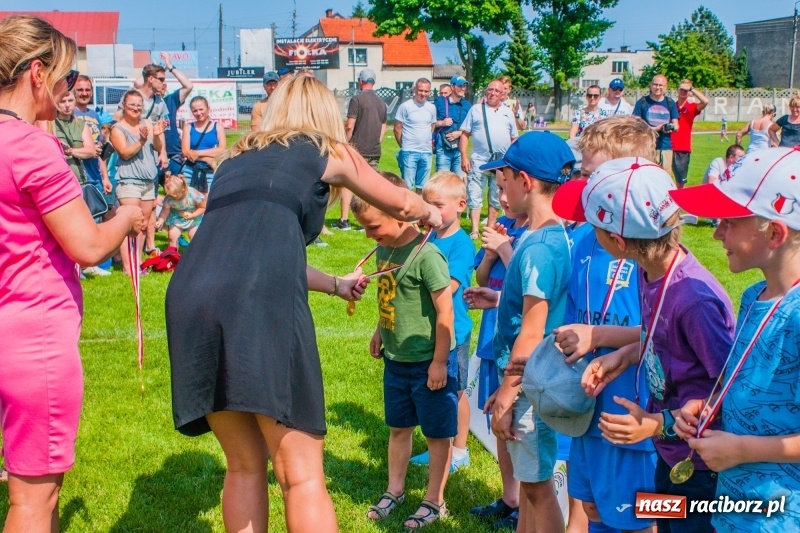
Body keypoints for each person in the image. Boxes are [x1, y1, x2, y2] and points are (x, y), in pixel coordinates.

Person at [164, 75, 443, 533]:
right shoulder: (325, 150)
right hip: (257, 303)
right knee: (302, 473)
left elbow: (251, 258)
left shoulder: (235, 158)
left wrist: (335, 284)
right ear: (326, 115)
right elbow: (402, 204)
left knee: (243, 465)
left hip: (193, 297)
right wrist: (434, 213)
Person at [0, 15, 144, 532]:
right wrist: (127, 215)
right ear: (36, 74)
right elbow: (87, 246)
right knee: (33, 501)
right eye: (64, 79)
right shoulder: (32, 145)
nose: (67, 93)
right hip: (34, 335)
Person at [550, 157, 736, 533]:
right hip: (670, 456)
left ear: (617, 241)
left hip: (701, 469)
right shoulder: (647, 269)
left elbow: (730, 395)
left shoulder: (696, 301)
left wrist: (657, 424)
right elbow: (662, 338)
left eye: (595, 228)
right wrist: (624, 354)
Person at [670, 146, 800, 532]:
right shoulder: (753, 297)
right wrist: (709, 407)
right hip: (737, 509)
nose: (716, 232)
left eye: (728, 221)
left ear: (774, 232)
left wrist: (742, 450)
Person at [548, 116, 659, 533]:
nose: (582, 186)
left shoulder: (652, 253)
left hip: (634, 415)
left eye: (592, 176)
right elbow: (574, 313)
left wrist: (600, 336)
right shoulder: (582, 241)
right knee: (593, 509)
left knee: (642, 517)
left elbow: (664, 333)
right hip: (586, 409)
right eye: (581, 174)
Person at [463, 131, 575, 533]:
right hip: (530, 380)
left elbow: (531, 332)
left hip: (531, 383)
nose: (501, 191)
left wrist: (508, 396)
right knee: (529, 488)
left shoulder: (537, 247)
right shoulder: (548, 237)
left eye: (504, 181)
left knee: (538, 488)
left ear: (525, 181)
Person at [350, 172, 456, 530]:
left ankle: (434, 499)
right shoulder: (386, 247)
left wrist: (440, 362)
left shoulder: (428, 256)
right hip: (396, 361)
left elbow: (445, 312)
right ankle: (395, 489)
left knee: (438, 435)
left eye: (373, 227)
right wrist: (380, 329)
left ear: (402, 214)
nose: (369, 235)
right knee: (399, 427)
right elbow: (390, 293)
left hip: (428, 361)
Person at [468, 179, 529, 531]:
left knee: (523, 427)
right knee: (500, 425)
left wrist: (505, 248)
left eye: (507, 190)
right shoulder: (503, 229)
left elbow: (525, 285)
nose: (502, 198)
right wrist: (490, 254)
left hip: (520, 349)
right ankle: (510, 498)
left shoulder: (534, 236)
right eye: (498, 191)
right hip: (493, 341)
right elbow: (479, 275)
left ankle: (530, 500)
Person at [409, 172, 474, 473]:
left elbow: (450, 287)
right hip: (431, 331)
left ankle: (459, 450)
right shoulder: (429, 237)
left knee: (455, 392)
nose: (431, 212)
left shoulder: (461, 245)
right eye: (427, 206)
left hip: (454, 332)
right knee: (437, 391)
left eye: (438, 205)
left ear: (461, 205)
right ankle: (440, 444)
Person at [54, 90, 114, 278]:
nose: (66, 104)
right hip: (58, 179)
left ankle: (87, 264)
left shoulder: (80, 124)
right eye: (62, 101)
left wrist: (70, 150)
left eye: (70, 100)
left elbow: (91, 152)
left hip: (79, 179)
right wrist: (79, 151)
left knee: (87, 222)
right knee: (64, 226)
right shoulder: (49, 123)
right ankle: (70, 266)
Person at [459, 79, 518, 239]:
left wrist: (512, 160)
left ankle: (491, 228)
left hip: (501, 163)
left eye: (496, 91)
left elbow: (514, 138)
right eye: (490, 89)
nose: (492, 93)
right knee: (475, 193)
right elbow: (464, 134)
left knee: (496, 195)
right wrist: (464, 157)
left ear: (502, 94)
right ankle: (475, 229)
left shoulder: (507, 112)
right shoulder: (476, 109)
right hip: (479, 160)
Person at [110, 89, 165, 257]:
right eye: (132, 105)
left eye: (139, 105)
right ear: (124, 106)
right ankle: (127, 266)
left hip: (149, 182)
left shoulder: (147, 123)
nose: (136, 108)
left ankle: (137, 262)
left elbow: (157, 147)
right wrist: (141, 141)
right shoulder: (117, 129)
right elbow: (124, 153)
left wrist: (156, 136)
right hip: (129, 182)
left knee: (142, 224)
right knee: (129, 224)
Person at [336, 68, 387, 231]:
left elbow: (350, 125)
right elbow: (383, 128)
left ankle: (344, 220)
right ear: (374, 82)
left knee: (348, 184)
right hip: (374, 150)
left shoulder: (356, 99)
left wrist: (346, 143)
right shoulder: (381, 102)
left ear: (360, 81)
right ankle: (366, 221)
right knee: (369, 186)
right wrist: (375, 142)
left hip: (357, 150)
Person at [394, 78, 436, 192]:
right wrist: (405, 146)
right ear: (415, 89)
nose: (423, 94)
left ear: (429, 91)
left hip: (426, 152)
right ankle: (407, 210)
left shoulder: (431, 108)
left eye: (426, 91)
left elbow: (431, 127)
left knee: (422, 188)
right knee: (407, 187)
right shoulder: (405, 106)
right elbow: (397, 128)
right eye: (420, 90)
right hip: (409, 152)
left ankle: (419, 210)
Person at [632, 74, 679, 175]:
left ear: (666, 87)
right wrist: (655, 129)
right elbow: (635, 124)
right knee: (645, 175)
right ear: (650, 85)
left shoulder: (670, 102)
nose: (657, 88)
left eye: (661, 85)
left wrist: (670, 127)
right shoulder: (642, 102)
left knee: (664, 175)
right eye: (655, 84)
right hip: (646, 146)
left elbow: (677, 125)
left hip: (665, 146)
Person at [158, 51, 194, 175]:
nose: (159, 88)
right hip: (154, 154)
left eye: (162, 85)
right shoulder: (145, 103)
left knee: (177, 191)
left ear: (165, 87)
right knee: (152, 194)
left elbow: (188, 86)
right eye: (157, 82)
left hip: (174, 154)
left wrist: (170, 67)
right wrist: (152, 71)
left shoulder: (170, 100)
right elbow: (138, 84)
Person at [180, 95, 226, 196]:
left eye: (201, 109)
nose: (198, 113)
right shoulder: (188, 127)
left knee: (208, 202)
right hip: (190, 171)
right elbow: (185, 152)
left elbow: (222, 150)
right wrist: (207, 158)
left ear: (208, 109)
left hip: (210, 171)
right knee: (189, 201)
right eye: (195, 111)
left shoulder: (218, 127)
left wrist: (198, 154)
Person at [670, 79, 709, 189]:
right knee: (665, 175)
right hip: (668, 145)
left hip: (683, 147)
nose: (683, 92)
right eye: (681, 89)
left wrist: (691, 88)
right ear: (677, 90)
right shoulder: (671, 106)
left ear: (690, 92)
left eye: (686, 90)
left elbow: (705, 101)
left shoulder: (691, 107)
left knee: (680, 180)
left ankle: (679, 201)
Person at [433, 75, 471, 175]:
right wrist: (441, 123)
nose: (463, 88)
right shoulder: (439, 102)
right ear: (452, 87)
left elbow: (474, 127)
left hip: (460, 149)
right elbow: (429, 123)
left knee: (460, 181)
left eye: (464, 86)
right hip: (443, 149)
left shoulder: (467, 105)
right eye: (460, 86)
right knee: (442, 180)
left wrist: (460, 132)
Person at [155, 172, 205, 249]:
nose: (174, 198)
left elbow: (202, 207)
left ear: (183, 189)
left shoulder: (193, 194)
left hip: (194, 218)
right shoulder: (169, 199)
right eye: (171, 196)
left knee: (195, 237)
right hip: (177, 218)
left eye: (176, 196)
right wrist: (160, 221)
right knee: (172, 236)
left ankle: (196, 255)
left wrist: (193, 215)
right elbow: (164, 212)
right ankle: (173, 256)